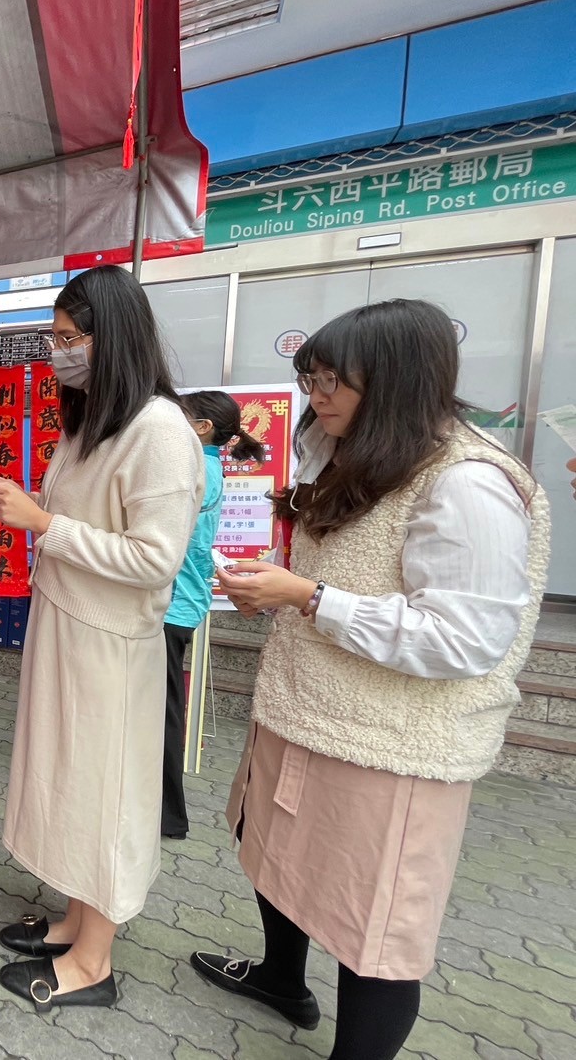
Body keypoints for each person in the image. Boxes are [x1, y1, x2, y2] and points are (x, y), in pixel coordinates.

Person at [190, 300, 549, 1060]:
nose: (314, 397)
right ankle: (281, 979)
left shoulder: (469, 484)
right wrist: (285, 587)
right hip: (308, 704)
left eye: (330, 382)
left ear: (392, 383)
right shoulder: (348, 446)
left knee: (374, 925)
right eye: (309, 378)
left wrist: (306, 597)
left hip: (391, 742)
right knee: (274, 853)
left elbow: (464, 637)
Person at [0, 267, 203, 1011]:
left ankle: (93, 962)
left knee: (104, 794)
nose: (57, 351)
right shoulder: (93, 423)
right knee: (71, 784)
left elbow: (152, 559)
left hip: (110, 643)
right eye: (55, 336)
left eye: (69, 337)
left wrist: (43, 524)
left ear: (114, 336)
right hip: (67, 627)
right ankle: (75, 921)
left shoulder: (160, 430)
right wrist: (34, 511)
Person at [160, 391, 266, 840]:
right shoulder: (205, 465)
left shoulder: (195, 468)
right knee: (161, 708)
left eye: (179, 417)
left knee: (162, 712)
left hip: (172, 603)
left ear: (202, 427)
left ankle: (168, 815)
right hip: (181, 600)